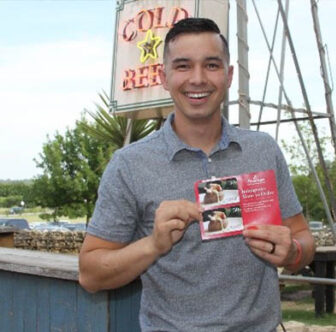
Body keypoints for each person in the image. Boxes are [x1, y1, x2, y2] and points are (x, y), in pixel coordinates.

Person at [78, 18, 314, 331]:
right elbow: (90, 274)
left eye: (212, 65)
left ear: (229, 76)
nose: (198, 79)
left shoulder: (263, 151)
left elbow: (303, 240)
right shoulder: (129, 165)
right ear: (164, 76)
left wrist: (292, 252)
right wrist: (155, 244)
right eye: (183, 66)